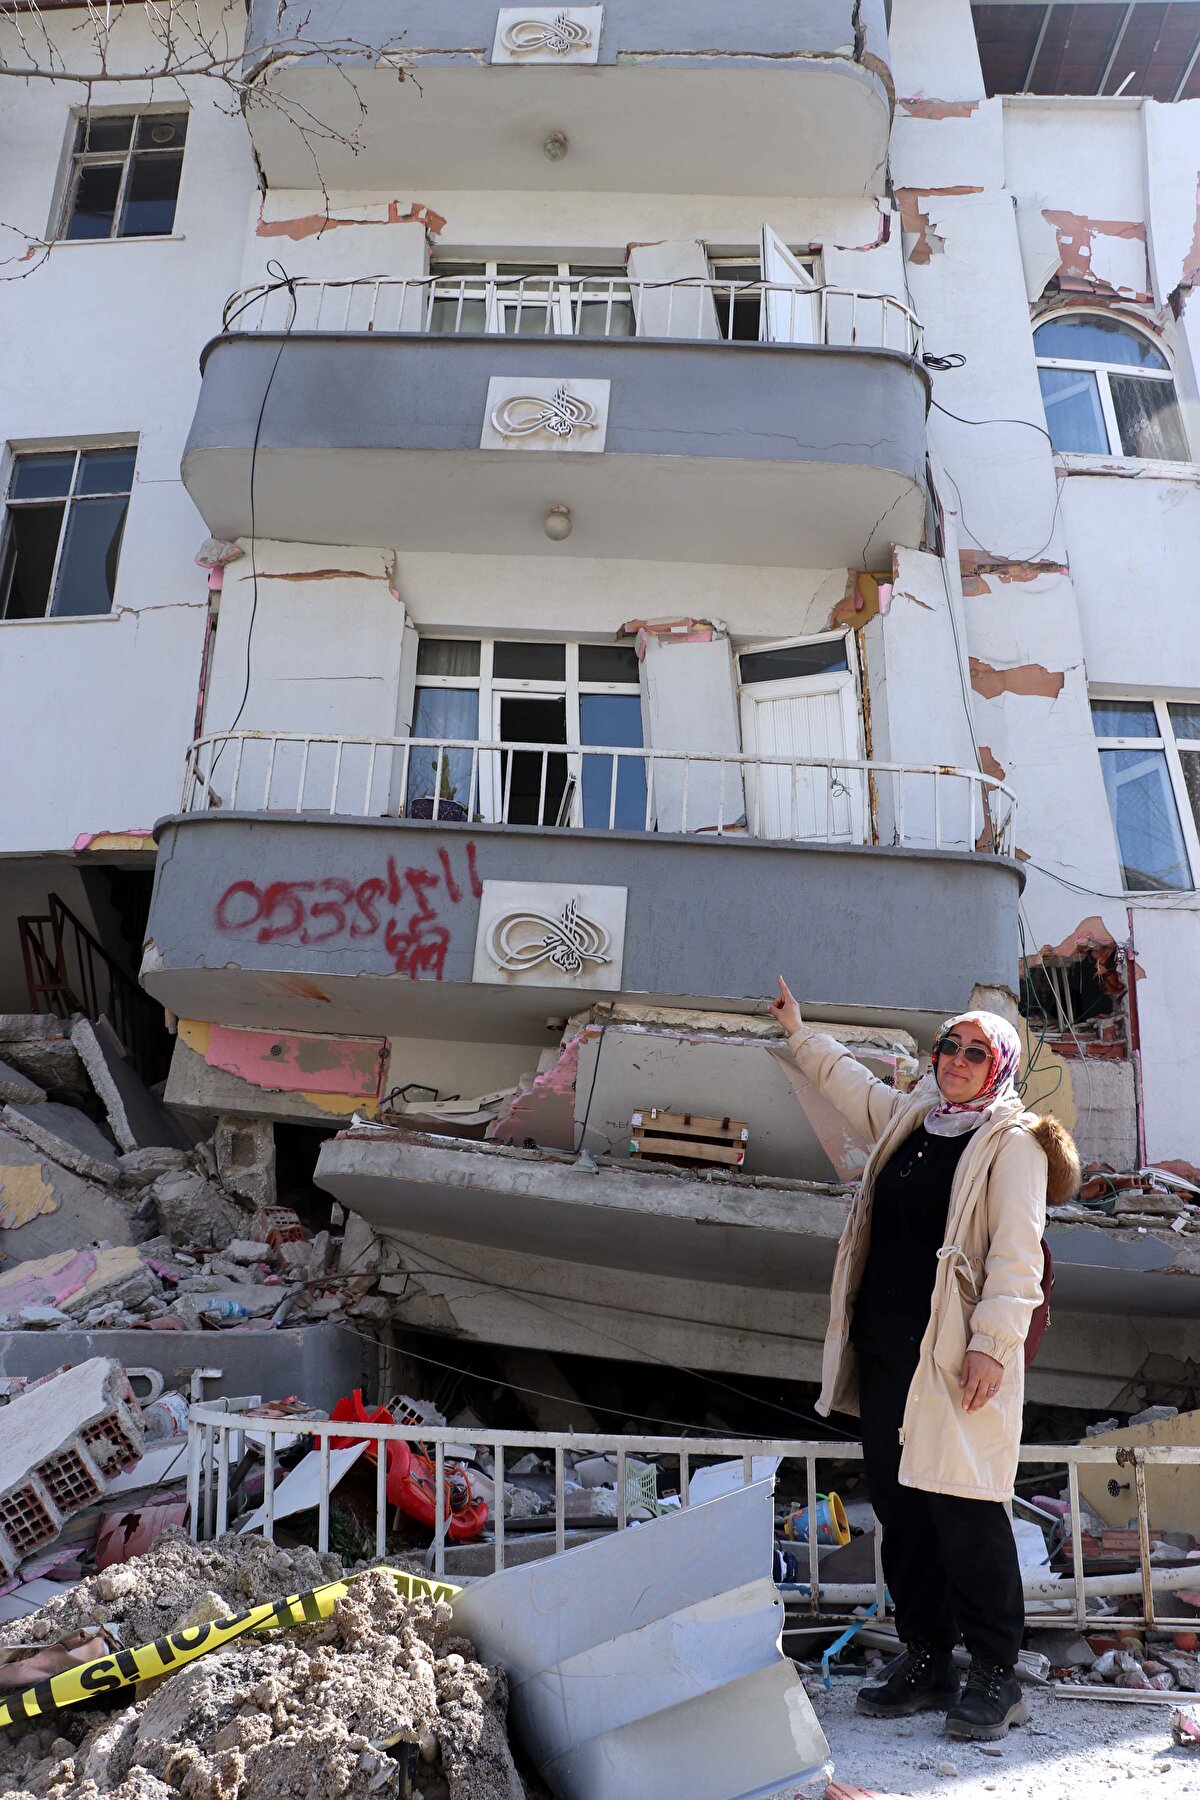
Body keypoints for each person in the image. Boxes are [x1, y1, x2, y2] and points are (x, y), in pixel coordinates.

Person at [770, 977, 1079, 1743]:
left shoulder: (1013, 1143)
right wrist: (801, 1033)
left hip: (954, 1360)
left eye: (978, 1052)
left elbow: (1016, 1262)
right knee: (903, 1512)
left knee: (967, 1513)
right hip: (886, 1351)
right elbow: (856, 1089)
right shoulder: (914, 1115)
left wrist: (991, 1350)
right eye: (950, 1046)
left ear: (1000, 1065)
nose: (959, 1061)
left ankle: (997, 1676)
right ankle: (927, 1659)